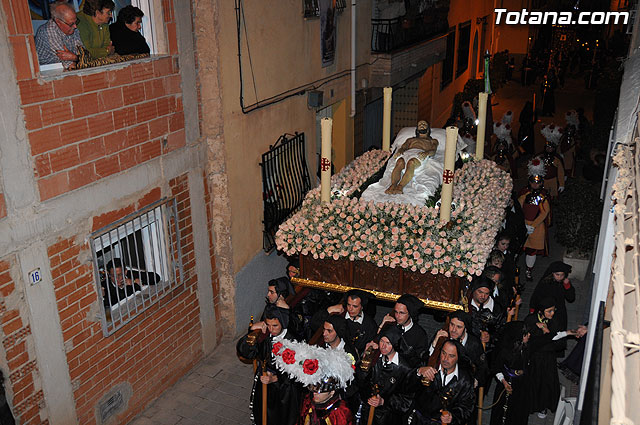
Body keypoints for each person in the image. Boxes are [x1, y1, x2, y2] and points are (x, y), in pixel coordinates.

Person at [236, 304, 301, 425]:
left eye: (275, 325)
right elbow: (245, 352)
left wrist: (275, 378)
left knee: (281, 418)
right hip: (265, 382)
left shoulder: (293, 341)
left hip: (284, 389)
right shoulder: (265, 336)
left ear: (283, 323)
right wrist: (252, 331)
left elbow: (297, 373)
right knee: (263, 414)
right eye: (268, 325)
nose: (271, 329)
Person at [524, 297, 577, 418]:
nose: (552, 313)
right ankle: (530, 404)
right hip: (533, 358)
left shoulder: (554, 322)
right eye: (549, 311)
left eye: (553, 310)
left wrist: (547, 331)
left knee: (546, 383)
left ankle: (542, 407)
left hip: (548, 358)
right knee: (532, 382)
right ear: (541, 311)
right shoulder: (530, 320)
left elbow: (558, 343)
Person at [356, 326, 414, 425]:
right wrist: (364, 357)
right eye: (382, 341)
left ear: (395, 344)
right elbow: (360, 381)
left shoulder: (405, 369)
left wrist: (383, 401)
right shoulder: (374, 359)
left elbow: (406, 402)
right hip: (367, 412)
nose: (383, 346)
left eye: (388, 343)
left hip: (388, 418)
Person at [411, 339, 476, 425]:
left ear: (458, 358)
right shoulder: (428, 365)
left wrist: (452, 417)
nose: (445, 359)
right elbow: (407, 386)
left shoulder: (464, 380)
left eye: (451, 356)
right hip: (419, 420)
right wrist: (418, 372)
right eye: (443, 353)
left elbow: (467, 408)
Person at [426, 310, 489, 388]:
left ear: (466, 328)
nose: (453, 330)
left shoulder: (474, 344)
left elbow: (482, 367)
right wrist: (434, 344)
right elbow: (427, 360)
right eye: (452, 325)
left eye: (459, 327)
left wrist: (475, 380)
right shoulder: (442, 337)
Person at [489, 321, 531, 425]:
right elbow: (497, 368)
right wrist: (503, 381)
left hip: (521, 385)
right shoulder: (505, 352)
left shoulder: (526, 347)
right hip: (507, 383)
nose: (529, 335)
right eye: (526, 334)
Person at [314, 290, 377, 355]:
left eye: (355, 306)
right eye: (348, 305)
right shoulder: (339, 315)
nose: (350, 309)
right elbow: (314, 324)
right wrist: (329, 310)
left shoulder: (369, 324)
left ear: (362, 307)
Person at [529, 261, 575, 350]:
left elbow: (571, 298)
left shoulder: (564, 283)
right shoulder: (545, 283)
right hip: (546, 312)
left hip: (559, 312)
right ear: (552, 273)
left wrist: (567, 286)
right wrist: (533, 310)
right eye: (557, 275)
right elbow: (536, 296)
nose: (560, 277)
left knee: (558, 332)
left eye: (562, 275)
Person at [519, 158, 551, 280]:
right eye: (533, 182)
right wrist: (523, 223)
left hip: (536, 228)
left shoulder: (543, 197)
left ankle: (529, 270)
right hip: (524, 224)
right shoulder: (524, 194)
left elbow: (545, 212)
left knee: (532, 251)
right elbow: (519, 208)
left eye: (537, 183)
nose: (535, 185)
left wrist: (533, 225)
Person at [385, 121, 439, 194]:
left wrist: (427, 153)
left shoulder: (432, 141)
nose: (422, 125)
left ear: (428, 129)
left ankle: (400, 186)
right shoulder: (410, 139)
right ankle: (393, 185)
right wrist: (400, 151)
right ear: (417, 129)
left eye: (424, 124)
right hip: (407, 152)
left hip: (420, 153)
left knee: (411, 162)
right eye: (420, 124)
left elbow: (433, 151)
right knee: (400, 162)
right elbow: (403, 147)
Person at [377, 294, 428, 366]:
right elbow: (377, 345)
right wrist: (382, 325)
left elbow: (420, 361)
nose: (397, 316)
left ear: (410, 314)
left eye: (401, 313)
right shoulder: (390, 326)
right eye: (396, 312)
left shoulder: (420, 334)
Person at [34, 1, 84, 69]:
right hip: (47, 71)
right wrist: (76, 58)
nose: (75, 26)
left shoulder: (72, 28)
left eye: (75, 22)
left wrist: (75, 57)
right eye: (71, 24)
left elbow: (84, 53)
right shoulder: (48, 31)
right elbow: (70, 65)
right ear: (58, 22)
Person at [467, 277, 507, 354]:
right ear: (474, 290)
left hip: (488, 350)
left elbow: (502, 331)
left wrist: (490, 337)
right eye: (480, 292)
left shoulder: (497, 310)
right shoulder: (465, 304)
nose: (483, 296)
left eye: (486, 293)